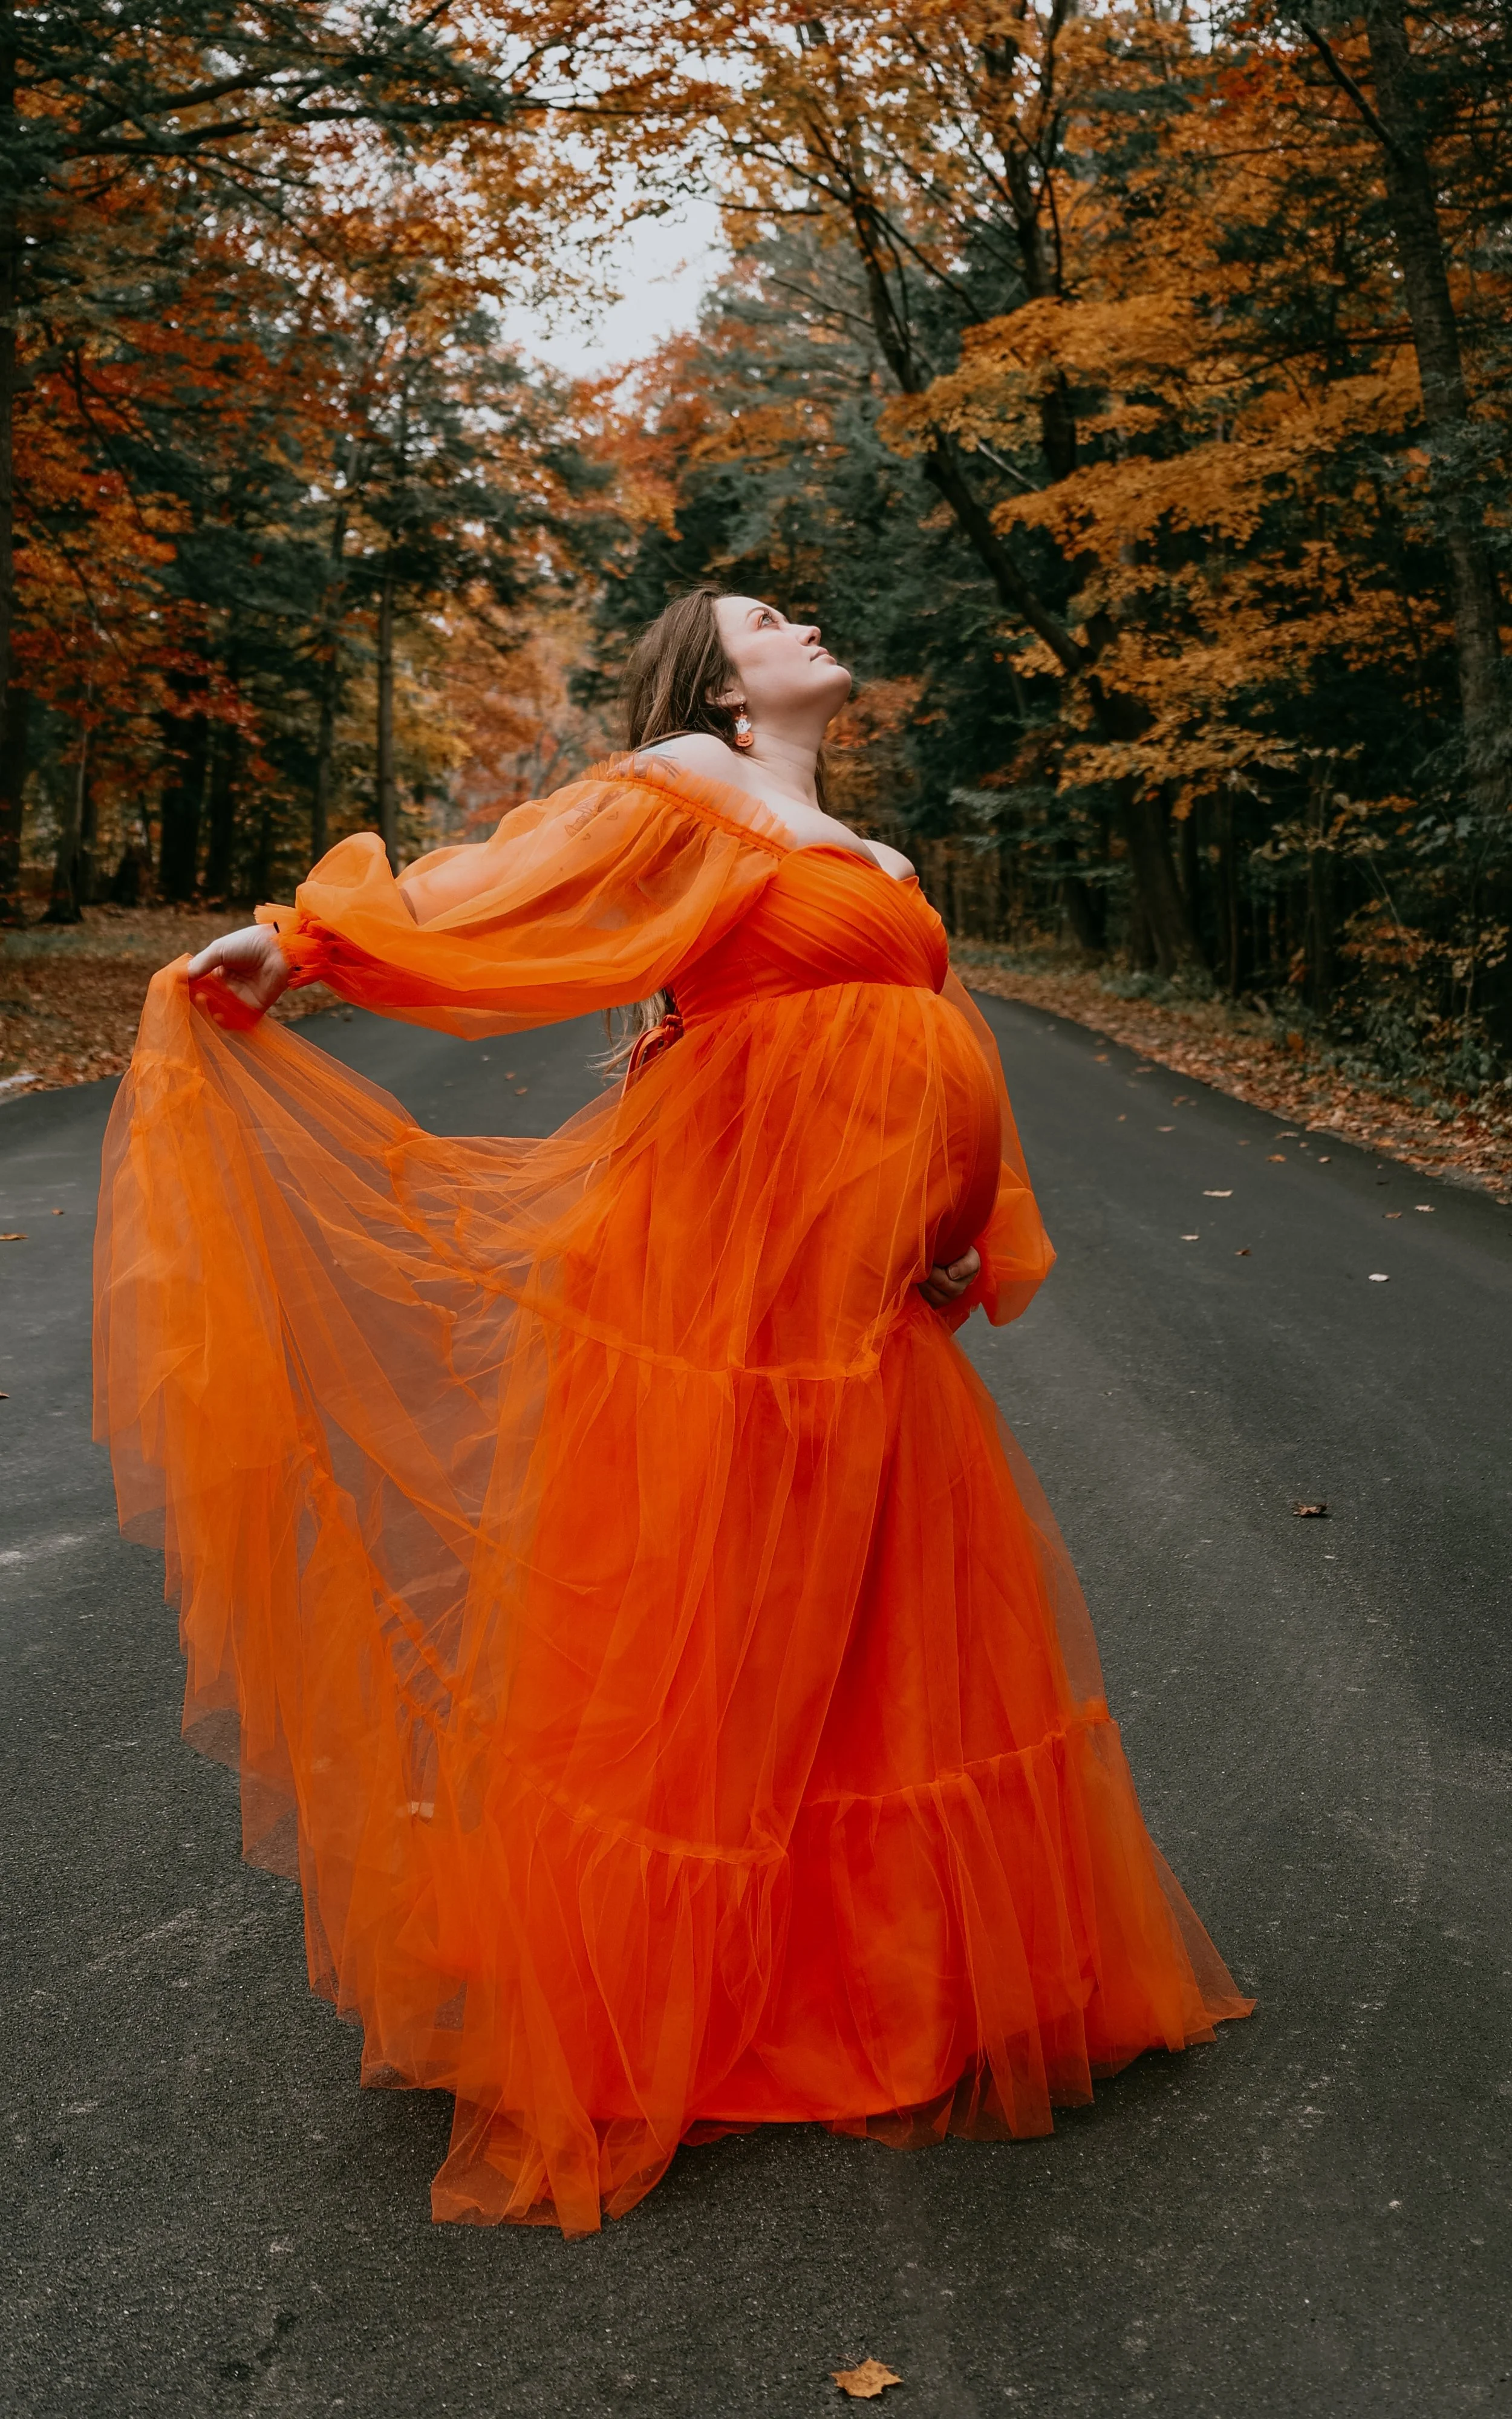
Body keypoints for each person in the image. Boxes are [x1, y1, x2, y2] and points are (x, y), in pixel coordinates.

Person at [94, 586, 1251, 2238]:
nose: (802, 620)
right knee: (732, 1599)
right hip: (729, 1282)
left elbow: (924, 1040)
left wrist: (954, 1224)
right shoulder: (683, 785)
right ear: (714, 680)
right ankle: (684, 1979)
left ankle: (877, 1973)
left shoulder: (842, 836)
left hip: (853, 1290)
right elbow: (510, 886)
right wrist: (309, 942)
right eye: (764, 614)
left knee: (867, 1617)